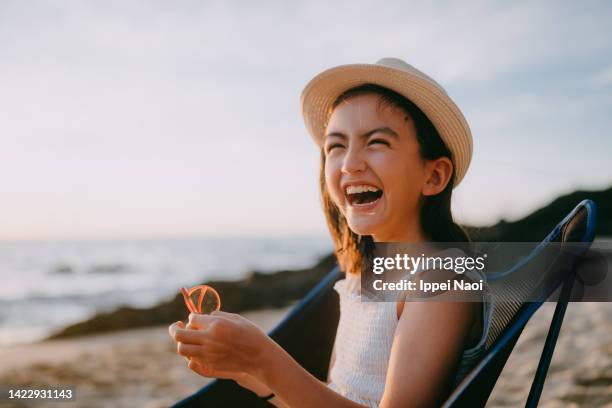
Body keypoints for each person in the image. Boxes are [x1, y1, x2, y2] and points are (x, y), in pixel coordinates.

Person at [169, 58, 491, 407]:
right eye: (335, 146)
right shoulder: (363, 275)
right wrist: (245, 367)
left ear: (434, 177)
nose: (350, 163)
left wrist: (265, 358)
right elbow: (339, 395)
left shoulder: (443, 282)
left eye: (377, 142)